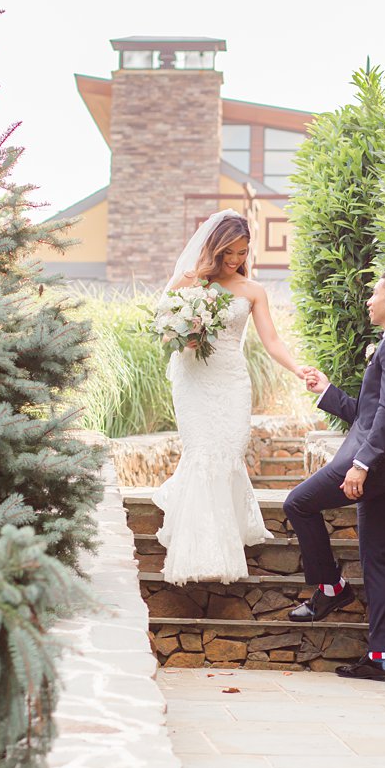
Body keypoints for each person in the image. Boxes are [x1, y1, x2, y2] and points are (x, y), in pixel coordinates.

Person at [288, 269, 385, 684]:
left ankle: (331, 589)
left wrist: (361, 464)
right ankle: (380, 658)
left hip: (377, 468)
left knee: (298, 503)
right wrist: (328, 391)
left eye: (374, 293)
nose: (368, 300)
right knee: (376, 560)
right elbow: (370, 413)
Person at [152, 210, 306, 584]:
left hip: (232, 380)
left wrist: (298, 369)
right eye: (229, 252)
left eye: (242, 252)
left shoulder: (253, 291)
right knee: (202, 453)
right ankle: (200, 557)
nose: (235, 259)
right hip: (194, 379)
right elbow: (161, 329)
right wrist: (183, 336)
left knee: (228, 453)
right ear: (215, 247)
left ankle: (222, 545)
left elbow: (271, 339)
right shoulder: (188, 280)